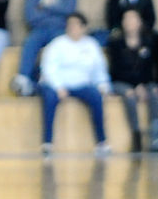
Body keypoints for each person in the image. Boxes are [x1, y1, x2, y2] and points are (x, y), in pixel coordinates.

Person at [37, 12, 110, 156]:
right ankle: (47, 143)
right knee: (50, 98)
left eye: (76, 25)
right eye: (70, 25)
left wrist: (103, 85)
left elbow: (99, 69)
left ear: (84, 28)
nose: (72, 28)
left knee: (96, 96)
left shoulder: (91, 45)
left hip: (81, 84)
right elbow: (48, 68)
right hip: (56, 84)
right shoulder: (57, 44)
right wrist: (58, 86)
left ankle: (101, 141)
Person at [11, 0, 77, 96]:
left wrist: (45, 6)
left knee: (57, 47)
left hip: (60, 30)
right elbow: (31, 17)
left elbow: (70, 10)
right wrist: (57, 10)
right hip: (39, 29)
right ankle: (23, 78)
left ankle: (44, 80)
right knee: (30, 42)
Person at [107, 8, 158, 152]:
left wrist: (142, 85)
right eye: (126, 19)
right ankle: (136, 136)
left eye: (133, 19)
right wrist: (135, 86)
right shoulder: (116, 42)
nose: (130, 22)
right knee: (129, 95)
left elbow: (150, 69)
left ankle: (155, 136)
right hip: (120, 82)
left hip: (143, 82)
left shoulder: (148, 42)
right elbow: (116, 71)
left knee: (154, 91)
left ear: (139, 22)